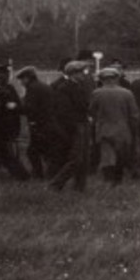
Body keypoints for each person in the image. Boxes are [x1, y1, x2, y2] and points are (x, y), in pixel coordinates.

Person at [46, 60, 93, 192]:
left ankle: (80, 187)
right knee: (76, 159)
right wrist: (74, 127)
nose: (84, 74)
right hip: (77, 126)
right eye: (81, 72)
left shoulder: (77, 86)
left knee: (84, 159)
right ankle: (55, 184)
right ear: (73, 73)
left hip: (82, 124)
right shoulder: (65, 88)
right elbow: (64, 111)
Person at [89, 67, 139, 186]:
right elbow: (134, 114)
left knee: (107, 155)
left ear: (101, 79)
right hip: (122, 129)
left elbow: (91, 111)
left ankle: (108, 179)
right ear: (116, 78)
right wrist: (134, 128)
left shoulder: (96, 93)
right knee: (121, 154)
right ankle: (118, 179)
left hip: (103, 128)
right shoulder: (127, 93)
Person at [15, 67, 55, 179]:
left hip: (38, 124)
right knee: (46, 151)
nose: (21, 83)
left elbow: (30, 108)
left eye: (22, 79)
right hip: (49, 122)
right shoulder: (45, 87)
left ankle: (39, 174)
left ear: (27, 78)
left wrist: (16, 108)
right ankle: (49, 173)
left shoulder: (32, 88)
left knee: (32, 152)